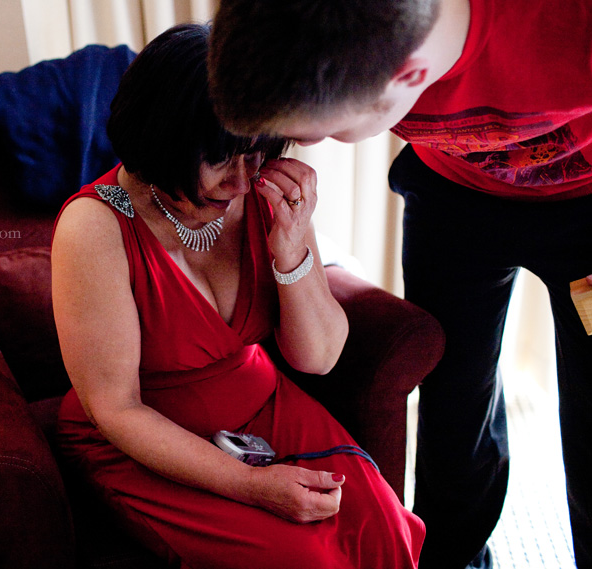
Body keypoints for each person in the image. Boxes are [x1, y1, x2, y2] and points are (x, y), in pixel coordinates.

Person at [207, 1, 592, 568]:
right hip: (451, 205)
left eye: (329, 132)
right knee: (453, 406)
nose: (309, 146)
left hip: (585, 213)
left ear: (411, 75)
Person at [52, 22, 425, 569]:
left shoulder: (261, 192)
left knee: (382, 525)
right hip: (145, 438)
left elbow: (317, 358)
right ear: (162, 139)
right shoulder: (95, 227)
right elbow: (117, 409)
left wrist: (293, 249)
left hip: (264, 405)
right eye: (222, 157)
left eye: (256, 152)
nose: (243, 181)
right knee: (304, 560)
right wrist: (253, 485)